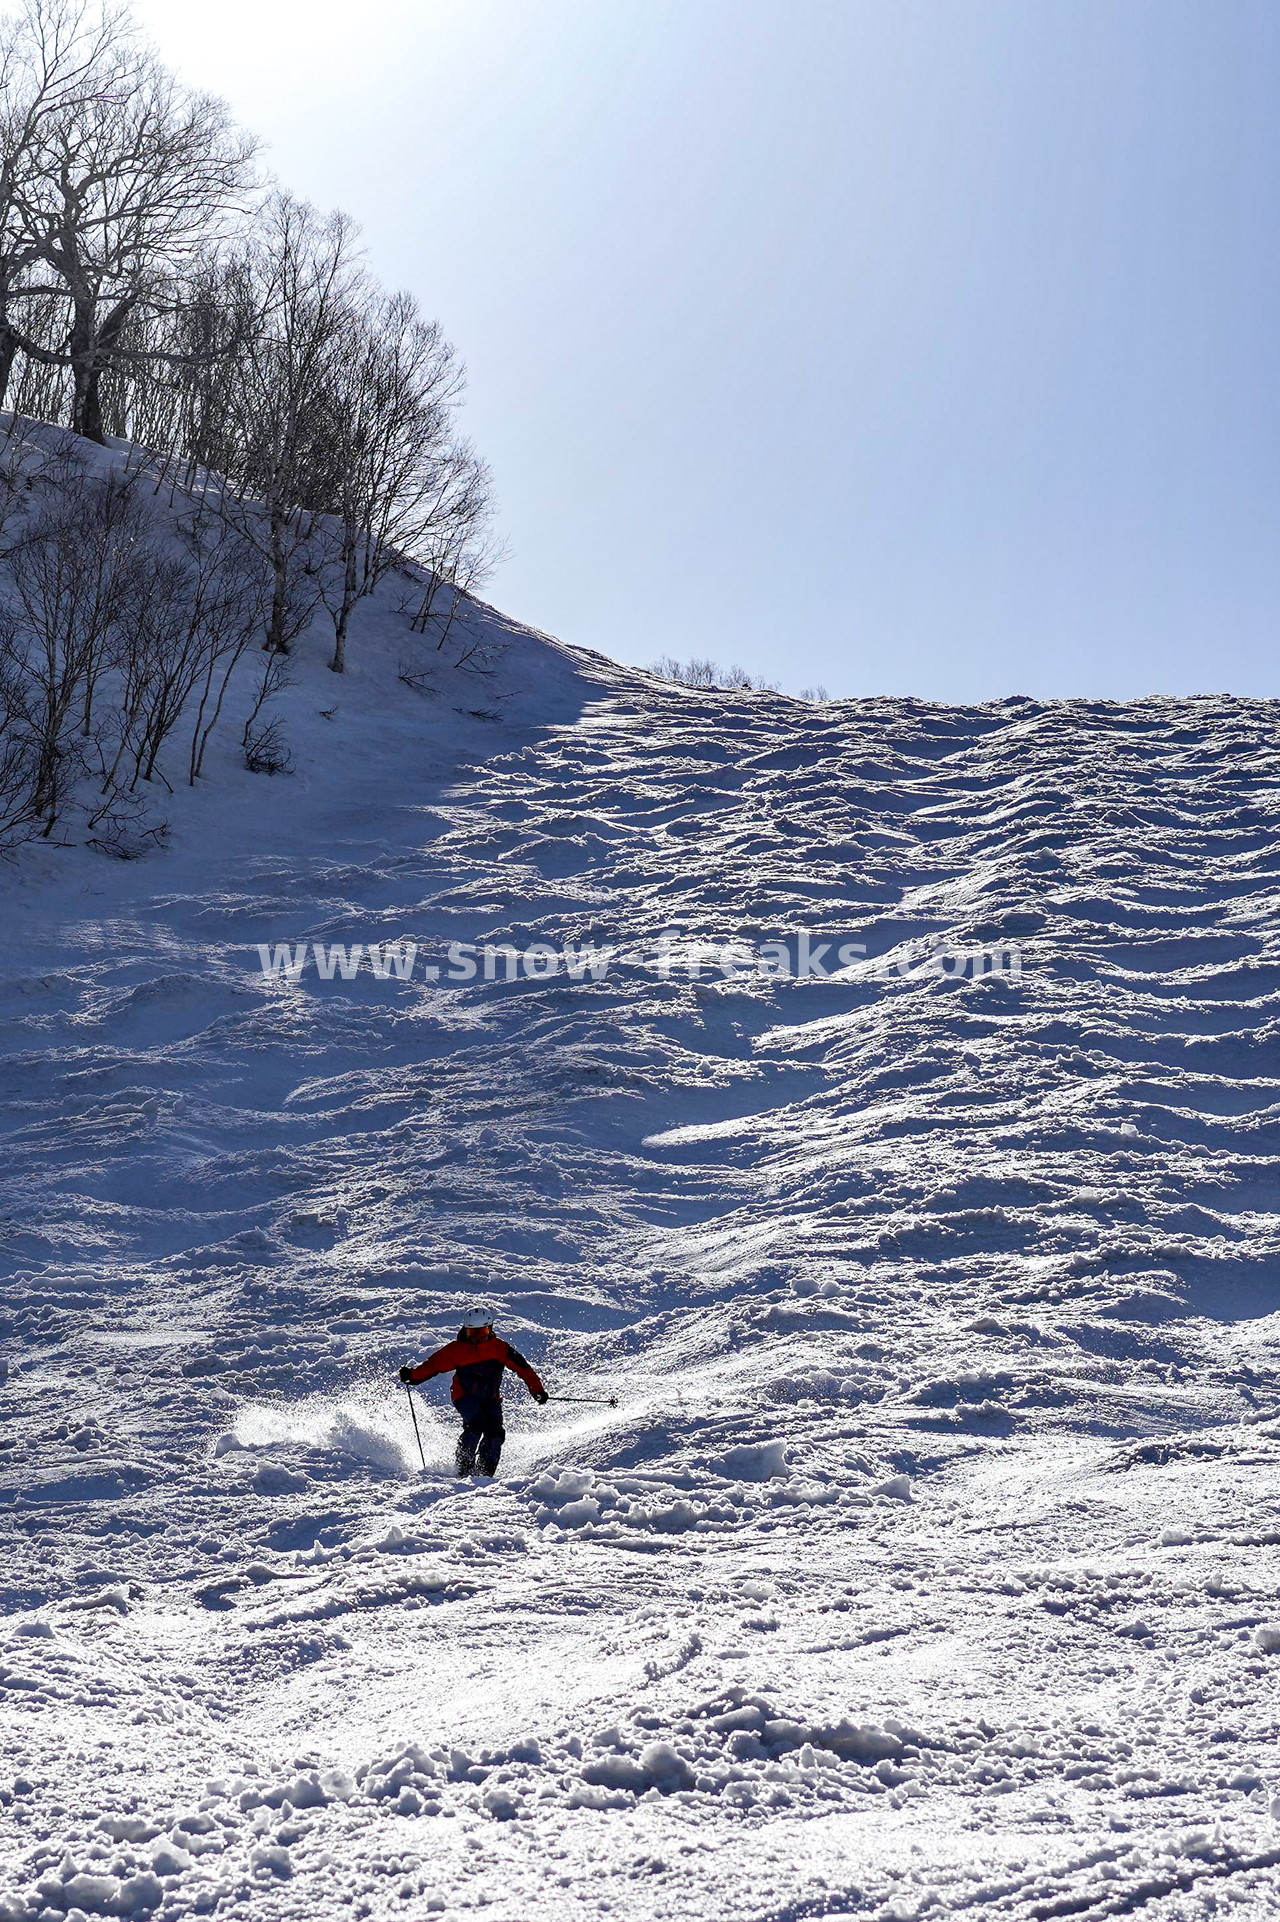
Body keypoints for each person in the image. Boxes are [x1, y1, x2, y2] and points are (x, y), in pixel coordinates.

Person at [399, 1311, 548, 1477]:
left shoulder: (500, 1348)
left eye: (481, 1332)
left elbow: (524, 1368)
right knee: (476, 1423)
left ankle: (485, 1472)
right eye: (472, 1333)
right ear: (465, 1331)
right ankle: (463, 1467)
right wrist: (412, 1377)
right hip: (464, 1396)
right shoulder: (457, 1350)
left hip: (491, 1398)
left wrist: (537, 1390)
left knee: (494, 1432)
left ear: (490, 1329)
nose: (476, 1337)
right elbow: (432, 1366)